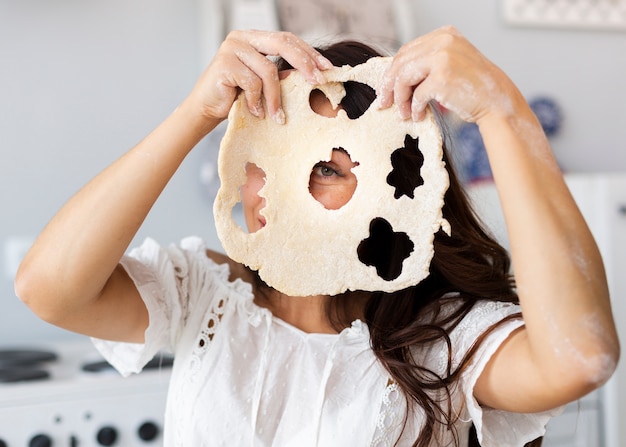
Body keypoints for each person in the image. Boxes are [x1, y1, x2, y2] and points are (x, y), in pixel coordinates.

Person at [15, 27, 619, 447]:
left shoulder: (447, 338)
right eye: (267, 157)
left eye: (326, 167)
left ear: (397, 184)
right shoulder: (208, 297)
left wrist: (500, 109)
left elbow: (581, 357)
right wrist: (194, 114)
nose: (273, 190)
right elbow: (47, 289)